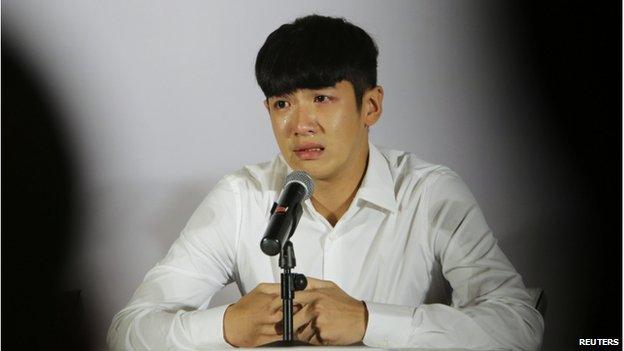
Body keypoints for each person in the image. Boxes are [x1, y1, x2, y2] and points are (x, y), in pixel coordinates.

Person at [107, 14, 544, 350]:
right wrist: (227, 326)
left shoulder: (429, 193)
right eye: (282, 103)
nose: (300, 125)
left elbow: (518, 324)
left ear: (370, 106)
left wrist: (369, 321)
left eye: (321, 98)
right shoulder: (241, 196)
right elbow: (129, 330)